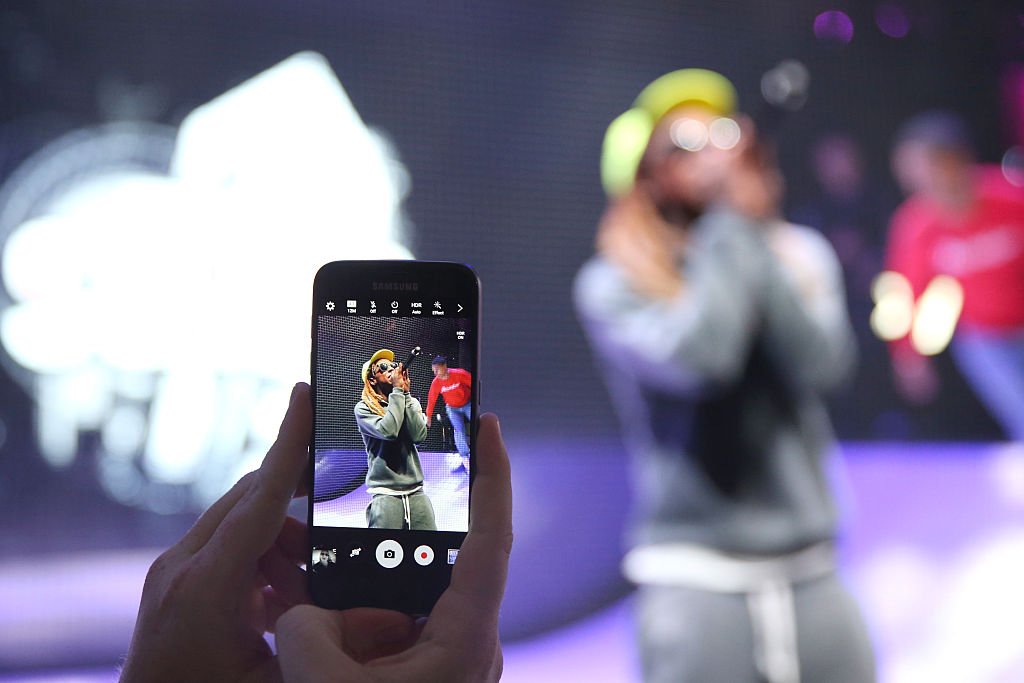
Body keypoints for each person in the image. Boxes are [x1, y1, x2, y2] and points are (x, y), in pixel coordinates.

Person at [574, 68, 874, 682]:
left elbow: (823, 365)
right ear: (646, 177)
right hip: (695, 578)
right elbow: (703, 360)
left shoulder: (794, 252)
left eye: (722, 132)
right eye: (684, 144)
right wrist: (733, 230)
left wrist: (749, 240)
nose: (715, 152)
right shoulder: (613, 285)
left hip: (814, 571)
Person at [119, 382, 512, 681]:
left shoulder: (408, 417)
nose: (392, 380)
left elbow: (417, 428)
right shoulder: (366, 412)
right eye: (383, 376)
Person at [882, 110, 1024, 439]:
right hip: (983, 339)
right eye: (909, 168)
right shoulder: (915, 224)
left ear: (958, 159)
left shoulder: (1011, 197)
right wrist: (907, 353)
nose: (918, 178)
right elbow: (905, 292)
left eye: (927, 165)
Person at [355, 349, 436, 530]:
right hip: (385, 493)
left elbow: (419, 436)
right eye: (383, 367)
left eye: (393, 365)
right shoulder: (364, 408)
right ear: (372, 379)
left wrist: (405, 395)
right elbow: (388, 431)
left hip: (416, 491)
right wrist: (398, 391)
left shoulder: (410, 401)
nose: (391, 368)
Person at [425, 355, 473, 474]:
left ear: (445, 366)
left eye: (437, 369)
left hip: (467, 404)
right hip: (452, 409)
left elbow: (474, 385)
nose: (435, 373)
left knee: (479, 425)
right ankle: (466, 460)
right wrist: (429, 417)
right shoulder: (436, 383)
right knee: (458, 430)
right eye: (433, 371)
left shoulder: (459, 374)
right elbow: (431, 399)